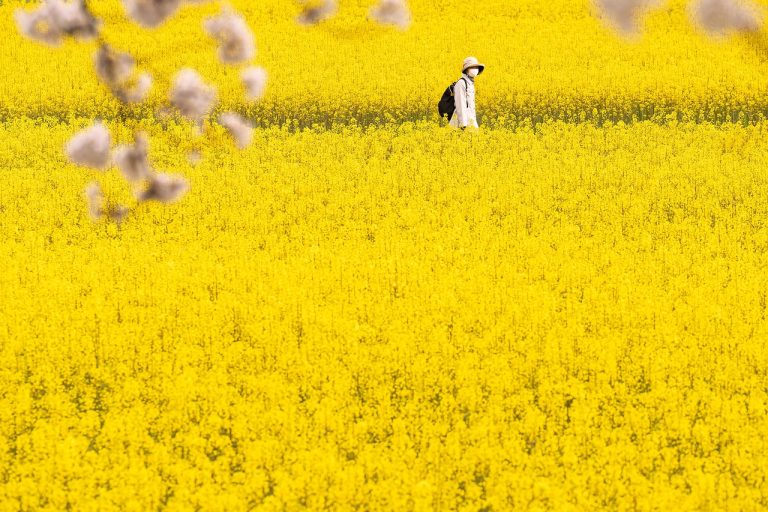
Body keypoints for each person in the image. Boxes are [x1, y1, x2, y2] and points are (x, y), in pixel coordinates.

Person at [449, 56, 485, 130]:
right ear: (466, 70)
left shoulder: (470, 84)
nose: (475, 70)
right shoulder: (461, 83)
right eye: (472, 67)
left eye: (476, 67)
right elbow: (460, 104)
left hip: (471, 121)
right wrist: (463, 125)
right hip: (462, 125)